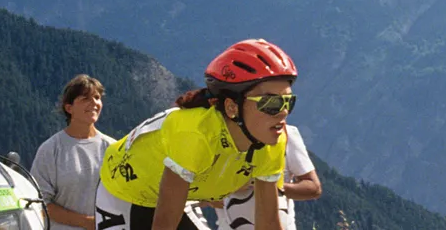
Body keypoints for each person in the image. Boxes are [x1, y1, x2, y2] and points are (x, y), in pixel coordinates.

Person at [98, 39, 297, 230]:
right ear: (231, 106)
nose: (283, 112)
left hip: (175, 197)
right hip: (124, 193)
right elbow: (164, 226)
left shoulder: (273, 142)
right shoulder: (195, 135)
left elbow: (269, 224)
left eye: (289, 102)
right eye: (271, 103)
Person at [32, 75, 113, 230]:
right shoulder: (51, 149)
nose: (94, 103)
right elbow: (40, 203)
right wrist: (88, 222)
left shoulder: (112, 148)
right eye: (85, 99)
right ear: (69, 108)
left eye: (97, 97)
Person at [217, 124, 321, 230]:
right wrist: (229, 187)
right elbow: (209, 194)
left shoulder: (286, 133)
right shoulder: (223, 133)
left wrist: (270, 187)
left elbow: (314, 188)